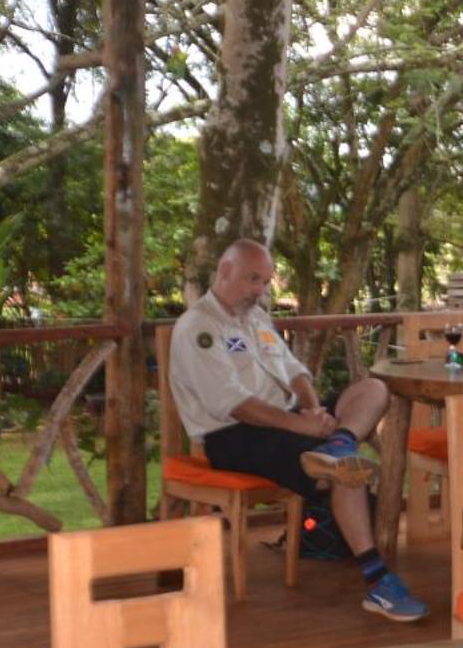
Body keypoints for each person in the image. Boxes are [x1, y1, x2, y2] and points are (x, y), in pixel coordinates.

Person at [169, 239, 430, 622]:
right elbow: (232, 403)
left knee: (374, 389)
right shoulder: (198, 327)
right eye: (252, 279)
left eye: (265, 281)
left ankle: (339, 442)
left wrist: (313, 409)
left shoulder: (255, 317)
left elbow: (293, 370)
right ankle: (378, 582)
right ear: (224, 271)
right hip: (233, 434)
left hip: (288, 417)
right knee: (345, 471)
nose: (260, 290)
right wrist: (301, 424)